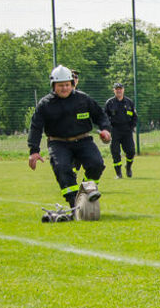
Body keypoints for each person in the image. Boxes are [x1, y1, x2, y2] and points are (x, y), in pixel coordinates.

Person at [28, 66, 111, 208]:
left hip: (83, 140)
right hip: (58, 143)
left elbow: (100, 115)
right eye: (61, 85)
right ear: (53, 86)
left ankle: (87, 189)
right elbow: (36, 127)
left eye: (67, 85)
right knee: (63, 169)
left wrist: (105, 130)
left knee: (96, 164)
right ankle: (74, 204)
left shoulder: (83, 99)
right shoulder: (45, 104)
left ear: (72, 84)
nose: (64, 88)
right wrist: (33, 151)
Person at [103, 82, 137, 178]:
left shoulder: (129, 102)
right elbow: (104, 117)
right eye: (116, 89)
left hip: (127, 130)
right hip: (115, 130)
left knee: (131, 151)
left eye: (120, 88)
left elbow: (135, 116)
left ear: (123, 90)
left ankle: (128, 167)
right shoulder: (110, 103)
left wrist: (131, 127)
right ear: (114, 90)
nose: (119, 90)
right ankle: (118, 173)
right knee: (115, 152)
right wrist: (107, 129)